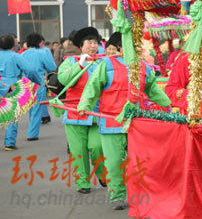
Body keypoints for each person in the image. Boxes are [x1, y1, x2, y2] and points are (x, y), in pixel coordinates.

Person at [78, 32, 171, 210]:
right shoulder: (106, 64)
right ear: (121, 47)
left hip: (137, 124)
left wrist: (169, 105)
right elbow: (92, 87)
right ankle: (117, 195)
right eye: (132, 44)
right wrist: (85, 104)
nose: (137, 48)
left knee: (140, 162)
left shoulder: (144, 67)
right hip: (111, 123)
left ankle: (140, 193)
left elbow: (154, 91)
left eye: (138, 44)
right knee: (113, 163)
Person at [58, 27, 105, 194]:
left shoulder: (103, 61)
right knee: (79, 151)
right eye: (89, 43)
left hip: (97, 113)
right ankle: (83, 182)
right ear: (81, 45)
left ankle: (102, 174)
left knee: (98, 146)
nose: (93, 46)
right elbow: (63, 79)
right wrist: (80, 64)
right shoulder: (70, 61)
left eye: (95, 43)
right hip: (74, 113)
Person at [0, 34, 43, 151]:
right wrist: (38, 81)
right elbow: (30, 70)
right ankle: (9, 143)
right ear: (13, 44)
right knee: (12, 114)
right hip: (11, 86)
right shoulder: (15, 56)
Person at [21, 33, 56, 139]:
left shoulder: (22, 54)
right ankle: (32, 134)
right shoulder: (42, 53)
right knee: (37, 108)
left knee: (31, 108)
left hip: (25, 83)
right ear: (39, 42)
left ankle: (32, 129)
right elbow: (52, 67)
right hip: (39, 83)